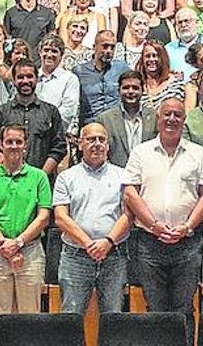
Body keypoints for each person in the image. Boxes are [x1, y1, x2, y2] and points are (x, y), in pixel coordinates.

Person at [123, 97, 203, 317]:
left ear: (184, 120)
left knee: (184, 309)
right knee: (155, 310)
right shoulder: (140, 153)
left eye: (177, 115)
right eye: (167, 114)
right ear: (158, 119)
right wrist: (154, 225)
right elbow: (130, 193)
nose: (172, 119)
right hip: (149, 242)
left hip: (188, 243)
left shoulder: (198, 153)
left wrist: (187, 226)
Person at [0, 123, 52, 344]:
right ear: (1, 145)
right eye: (9, 141)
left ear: (25, 146)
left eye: (18, 142)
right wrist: (6, 248)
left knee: (30, 318)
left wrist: (18, 243)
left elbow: (43, 217)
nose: (13, 146)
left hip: (30, 253)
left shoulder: (39, 177)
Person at [53, 122, 131, 314]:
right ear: (80, 144)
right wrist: (89, 244)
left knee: (113, 319)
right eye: (90, 139)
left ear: (108, 145)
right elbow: (61, 218)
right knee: (71, 319)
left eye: (101, 139)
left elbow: (128, 215)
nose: (96, 144)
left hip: (114, 256)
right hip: (76, 257)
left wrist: (107, 242)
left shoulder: (123, 176)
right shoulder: (66, 177)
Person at [0, 59, 66, 174]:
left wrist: (39, 177)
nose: (25, 81)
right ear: (13, 80)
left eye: (30, 76)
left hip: (42, 182)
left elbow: (59, 147)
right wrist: (10, 173)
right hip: (8, 181)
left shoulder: (51, 112)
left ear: (37, 79)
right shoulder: (1, 112)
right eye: (20, 77)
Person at [96, 69, 157, 168]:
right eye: (126, 88)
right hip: (115, 178)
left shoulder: (155, 118)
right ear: (118, 90)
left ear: (143, 90)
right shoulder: (105, 119)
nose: (130, 91)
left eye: (135, 88)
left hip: (147, 175)